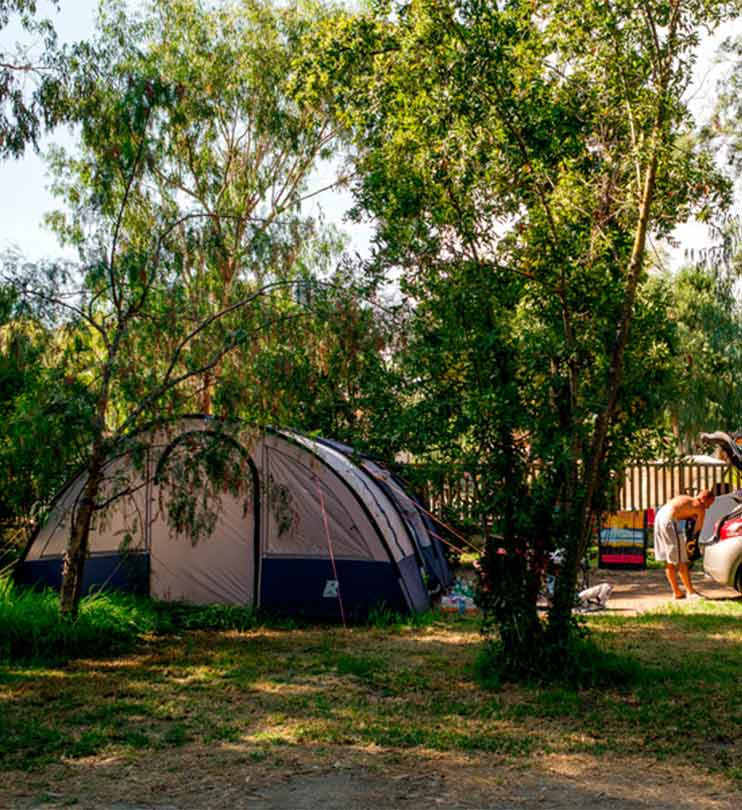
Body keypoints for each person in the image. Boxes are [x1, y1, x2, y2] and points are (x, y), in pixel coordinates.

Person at [654, 489, 715, 599]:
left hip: (659, 518)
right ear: (705, 499)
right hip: (669, 520)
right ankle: (690, 592)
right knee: (682, 559)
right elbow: (696, 531)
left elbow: (682, 511)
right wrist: (691, 548)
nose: (709, 507)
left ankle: (676, 591)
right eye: (710, 503)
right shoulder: (700, 507)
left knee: (669, 560)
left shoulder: (686, 498)